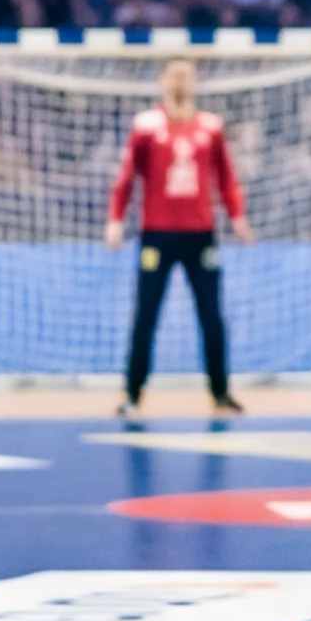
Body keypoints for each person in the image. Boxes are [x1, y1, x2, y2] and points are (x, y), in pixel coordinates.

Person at [107, 57, 248, 417]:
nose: (180, 82)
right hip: (157, 235)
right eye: (174, 75)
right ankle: (133, 395)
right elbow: (126, 177)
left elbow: (226, 177)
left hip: (201, 236)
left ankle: (220, 393)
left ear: (196, 82)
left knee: (212, 316)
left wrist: (237, 216)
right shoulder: (145, 126)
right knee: (146, 316)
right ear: (162, 82)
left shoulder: (211, 127)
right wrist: (115, 219)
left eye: (186, 75)